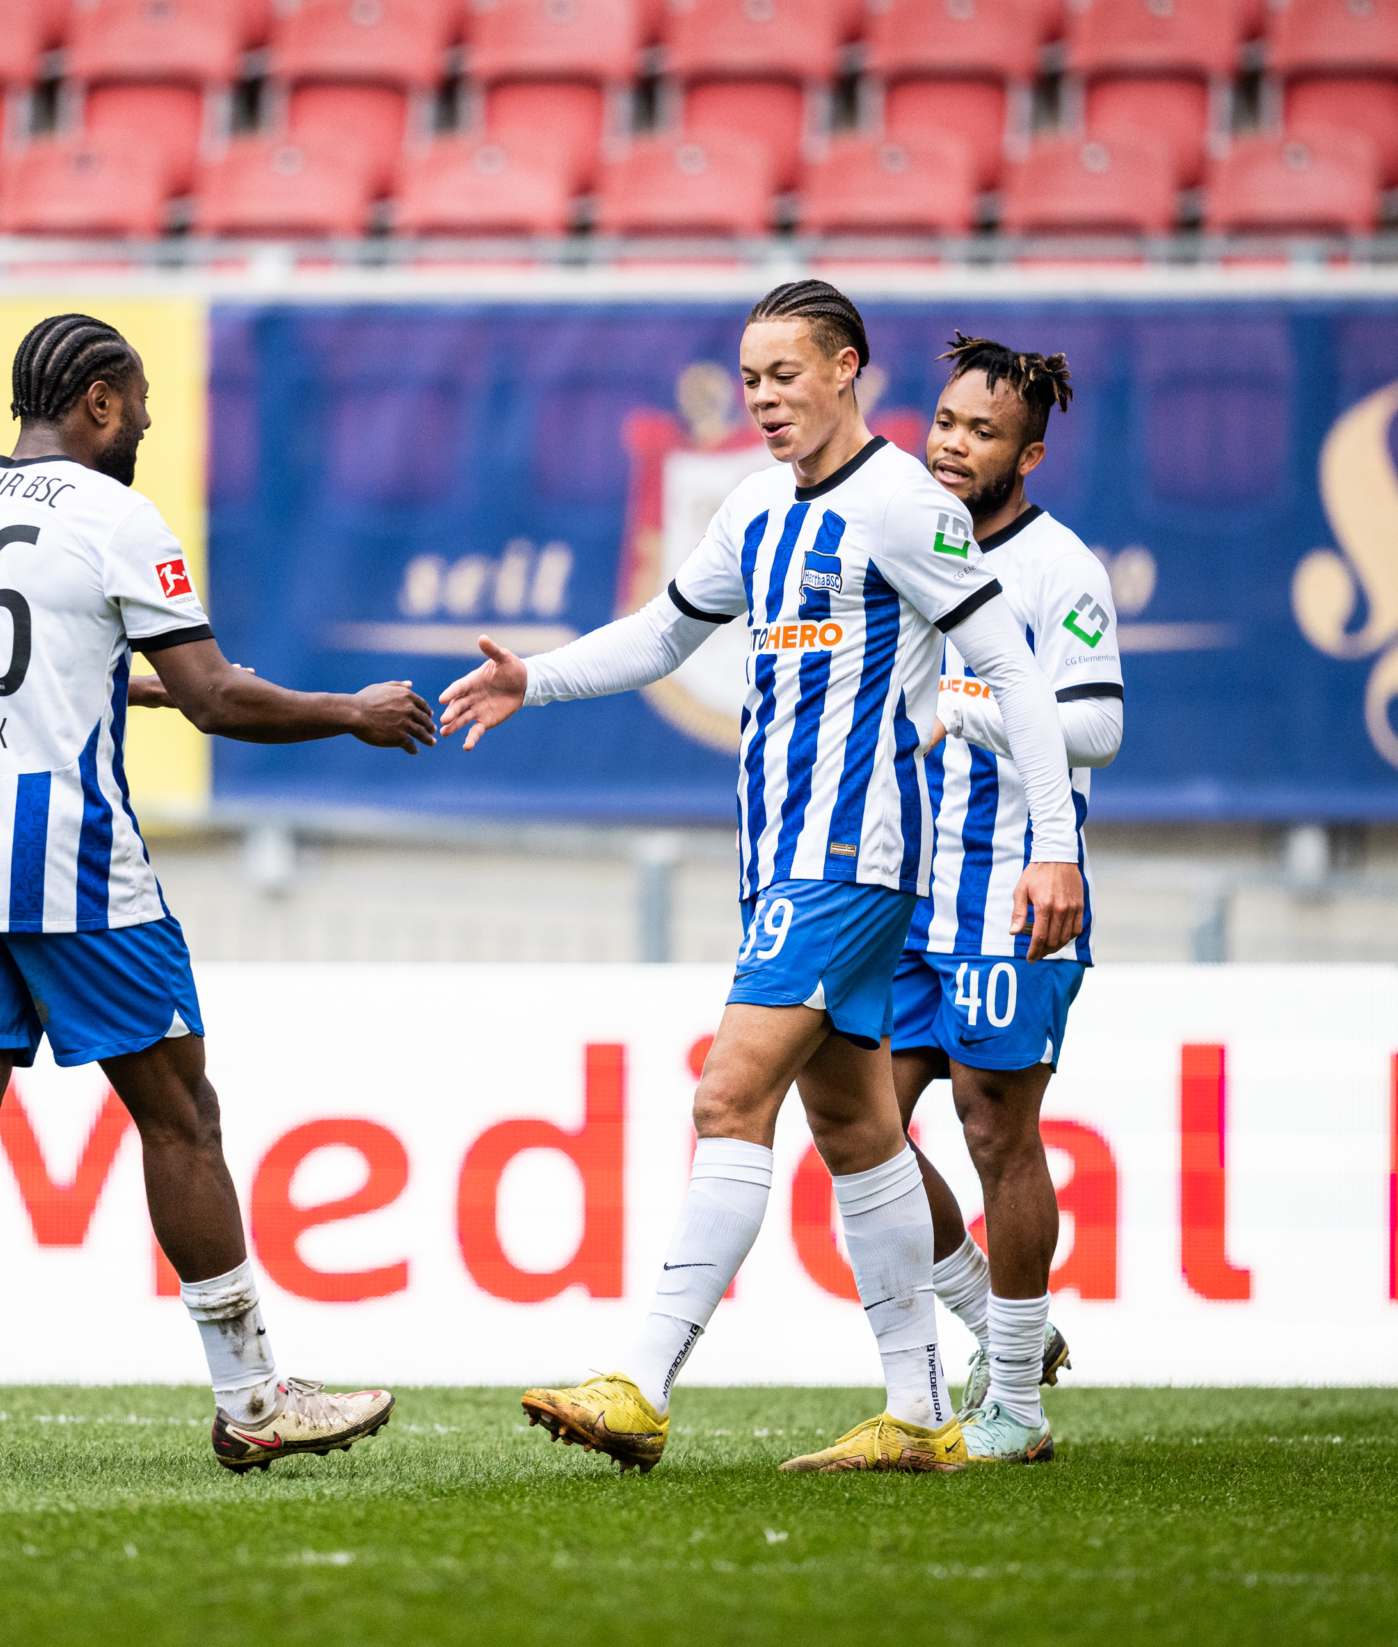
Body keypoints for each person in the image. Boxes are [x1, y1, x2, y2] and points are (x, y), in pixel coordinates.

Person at [440, 281, 1083, 1475]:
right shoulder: (751, 507)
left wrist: (1052, 845)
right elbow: (660, 636)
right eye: (749, 380)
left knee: (728, 1097)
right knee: (855, 1129)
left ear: (848, 370)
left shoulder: (900, 505)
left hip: (854, 858)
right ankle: (913, 1411)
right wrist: (534, 675)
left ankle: (640, 1381)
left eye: (786, 374)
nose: (765, 398)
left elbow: (1012, 670)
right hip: (779, 859)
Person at [0, 313, 437, 1480]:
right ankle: (250, 1398)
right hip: (70, 861)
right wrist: (353, 713)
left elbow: (38, 658)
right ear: (91, 400)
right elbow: (220, 695)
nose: (143, 425)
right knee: (181, 1116)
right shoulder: (115, 516)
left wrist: (127, 687)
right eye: (133, 404)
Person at [893, 335, 1123, 1465]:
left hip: (1011, 889)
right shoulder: (901, 542)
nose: (951, 445)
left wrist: (970, 705)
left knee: (994, 1126)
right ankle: (1001, 1329)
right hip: (898, 892)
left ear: (1027, 454)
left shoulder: (1059, 568)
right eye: (944, 422)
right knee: (858, 1129)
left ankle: (1017, 1411)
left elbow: (1097, 725)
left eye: (981, 432)